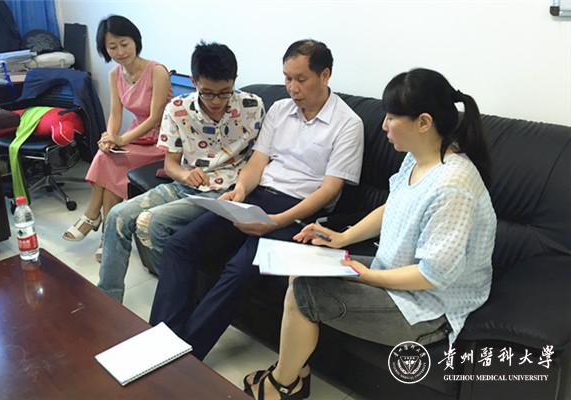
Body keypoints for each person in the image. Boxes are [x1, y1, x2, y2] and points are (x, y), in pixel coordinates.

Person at [242, 68, 497, 399]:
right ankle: (294, 372)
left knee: (305, 292)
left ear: (423, 122)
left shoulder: (453, 186)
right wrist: (341, 239)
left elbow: (431, 276)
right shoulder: (419, 158)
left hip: (429, 307)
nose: (384, 126)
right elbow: (391, 207)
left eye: (391, 117)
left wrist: (367, 276)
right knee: (301, 269)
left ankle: (283, 385)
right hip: (395, 272)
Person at [149, 39, 365, 360]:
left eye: (301, 79)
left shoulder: (348, 124)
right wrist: (239, 192)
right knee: (180, 245)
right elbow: (257, 162)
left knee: (239, 270)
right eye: (287, 78)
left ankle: (186, 358)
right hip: (257, 197)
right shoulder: (279, 109)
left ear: (325, 75)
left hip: (298, 212)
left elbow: (329, 190)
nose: (292, 88)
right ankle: (159, 344)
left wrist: (276, 222)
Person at [97, 42, 265, 302]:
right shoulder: (177, 109)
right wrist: (186, 175)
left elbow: (261, 157)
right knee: (117, 215)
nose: (217, 101)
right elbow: (170, 165)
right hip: (185, 187)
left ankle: (180, 295)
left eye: (225, 93)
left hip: (223, 194)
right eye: (208, 93)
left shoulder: (252, 106)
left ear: (234, 81)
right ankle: (107, 301)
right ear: (194, 81)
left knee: (149, 222)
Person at [63, 15, 170, 263]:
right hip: (136, 136)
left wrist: (121, 139)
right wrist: (111, 136)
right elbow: (115, 113)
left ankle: (92, 217)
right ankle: (106, 233)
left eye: (124, 44)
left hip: (162, 140)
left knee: (108, 160)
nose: (120, 52)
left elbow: (155, 118)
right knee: (106, 154)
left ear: (135, 41)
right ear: (105, 49)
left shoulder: (157, 71)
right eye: (112, 47)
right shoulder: (115, 75)